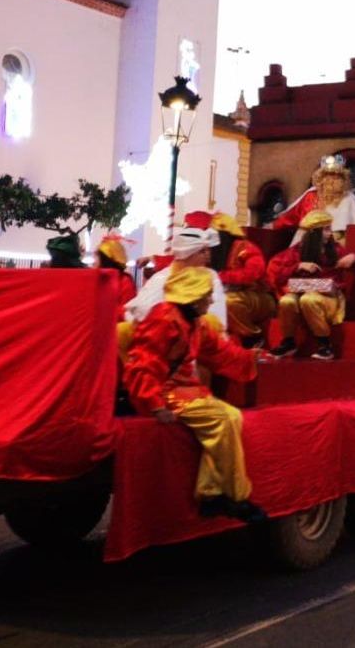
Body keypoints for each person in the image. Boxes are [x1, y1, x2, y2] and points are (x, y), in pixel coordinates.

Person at [121, 266, 266, 521]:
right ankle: (236, 496)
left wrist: (248, 358)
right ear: (194, 295)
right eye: (208, 294)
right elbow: (143, 362)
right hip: (163, 394)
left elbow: (220, 352)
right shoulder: (164, 318)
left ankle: (211, 492)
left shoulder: (196, 323)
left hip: (182, 390)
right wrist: (155, 404)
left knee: (230, 416)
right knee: (224, 419)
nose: (211, 300)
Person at [267, 209, 355, 360]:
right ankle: (288, 342)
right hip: (300, 293)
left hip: (329, 298)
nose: (330, 234)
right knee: (286, 301)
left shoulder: (336, 249)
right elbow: (274, 270)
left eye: (329, 229)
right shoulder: (296, 251)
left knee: (309, 299)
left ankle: (325, 345)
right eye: (326, 230)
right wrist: (297, 266)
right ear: (314, 233)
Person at [125, 226, 227, 328]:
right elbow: (140, 311)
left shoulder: (211, 276)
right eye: (202, 251)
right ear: (187, 255)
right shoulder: (162, 278)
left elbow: (218, 318)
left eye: (208, 250)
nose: (208, 256)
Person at [267, 153, 355, 243]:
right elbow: (291, 216)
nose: (332, 180)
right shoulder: (310, 196)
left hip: (335, 247)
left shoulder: (350, 199)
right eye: (328, 176)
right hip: (305, 245)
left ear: (343, 180)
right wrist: (273, 226)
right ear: (321, 179)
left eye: (337, 177)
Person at [209, 212, 275, 347]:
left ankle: (252, 337)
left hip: (259, 298)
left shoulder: (245, 247)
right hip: (232, 295)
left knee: (229, 301)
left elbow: (254, 273)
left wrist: (223, 277)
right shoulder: (211, 252)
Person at [95, 233, 138, 321]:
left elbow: (128, 311)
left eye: (98, 256)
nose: (95, 260)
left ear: (106, 260)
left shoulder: (125, 281)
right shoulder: (97, 279)